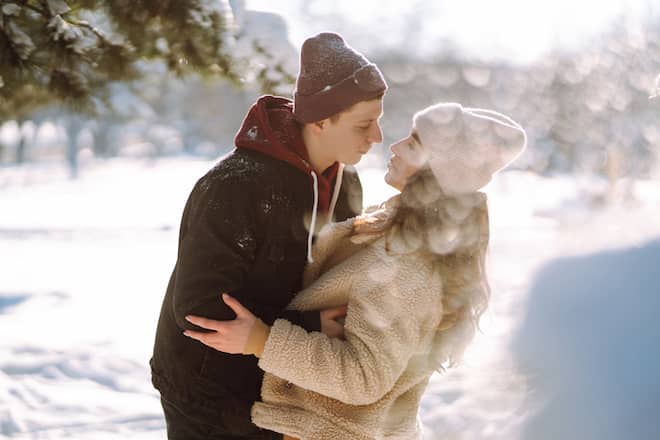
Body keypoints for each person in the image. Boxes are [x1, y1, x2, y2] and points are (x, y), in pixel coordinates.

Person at [184, 102, 527, 439]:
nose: (393, 146)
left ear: (436, 171)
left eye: (412, 144)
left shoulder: (409, 267)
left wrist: (262, 340)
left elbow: (364, 378)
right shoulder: (395, 231)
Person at [150, 32, 387, 440]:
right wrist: (308, 326)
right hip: (207, 396)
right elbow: (199, 310)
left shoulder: (347, 183)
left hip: (283, 388)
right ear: (319, 120)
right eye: (364, 124)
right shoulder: (236, 186)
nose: (377, 137)